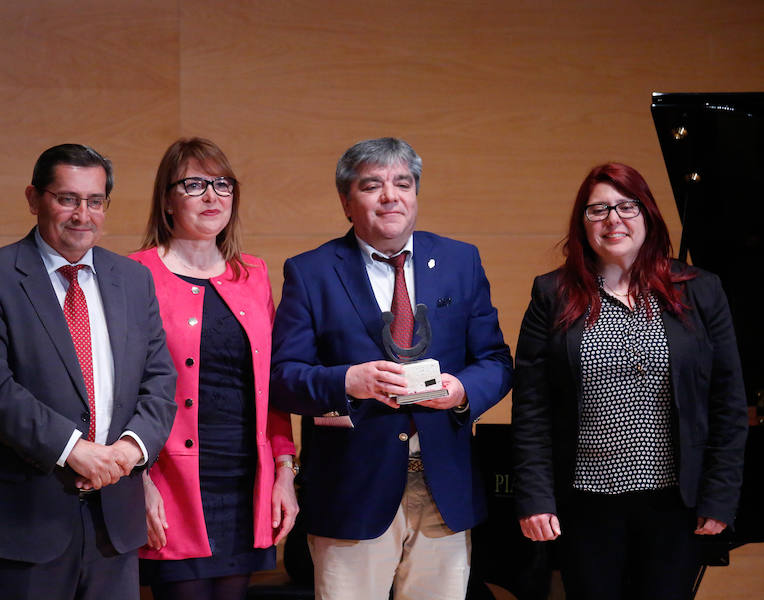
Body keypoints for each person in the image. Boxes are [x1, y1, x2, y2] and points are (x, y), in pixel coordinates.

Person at [270, 137, 513, 600]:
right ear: (346, 201)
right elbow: (283, 378)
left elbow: (497, 362)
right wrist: (347, 381)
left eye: (403, 183)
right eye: (372, 185)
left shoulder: (461, 261)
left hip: (444, 486)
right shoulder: (312, 271)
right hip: (352, 491)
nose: (391, 196)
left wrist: (461, 390)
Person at [0, 143, 178, 599]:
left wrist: (130, 450)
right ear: (34, 199)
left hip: (114, 524)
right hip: (21, 525)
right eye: (67, 198)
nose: (82, 215)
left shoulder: (132, 279)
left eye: (95, 201)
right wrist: (73, 449)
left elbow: (159, 380)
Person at [511, 162, 748, 600]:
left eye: (626, 206)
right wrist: (535, 498)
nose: (613, 219)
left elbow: (729, 402)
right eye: (597, 210)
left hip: (678, 504)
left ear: (648, 215)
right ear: (583, 224)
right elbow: (531, 408)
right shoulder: (552, 293)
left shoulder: (700, 290)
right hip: (584, 503)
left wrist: (721, 497)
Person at [129, 137, 298, 600]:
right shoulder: (132, 274)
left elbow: (271, 386)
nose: (212, 196)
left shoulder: (254, 274)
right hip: (169, 480)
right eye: (194, 184)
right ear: (166, 198)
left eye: (222, 185)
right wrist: (136, 480)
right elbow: (118, 391)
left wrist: (285, 469)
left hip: (246, 480)